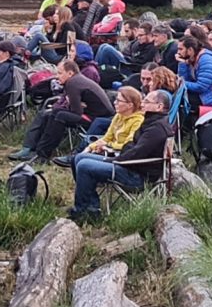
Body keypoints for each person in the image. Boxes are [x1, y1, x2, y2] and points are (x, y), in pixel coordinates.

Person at [69, 89, 171, 218]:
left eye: (146, 101)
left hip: (138, 176)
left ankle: (83, 211)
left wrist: (113, 160)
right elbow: (131, 145)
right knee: (79, 157)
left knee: (84, 165)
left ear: (159, 107)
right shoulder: (151, 122)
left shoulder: (156, 128)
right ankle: (91, 207)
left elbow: (137, 152)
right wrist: (113, 153)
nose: (142, 104)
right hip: (130, 166)